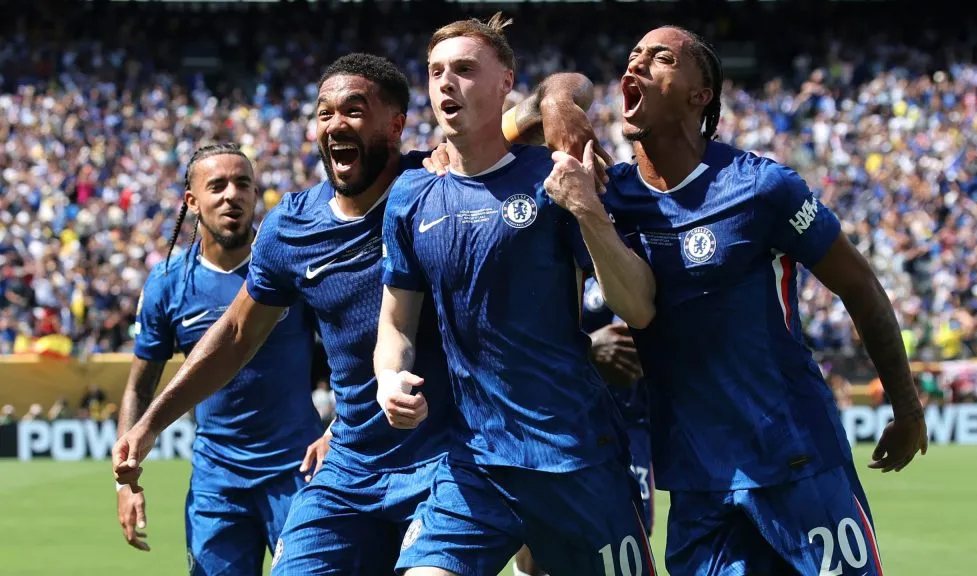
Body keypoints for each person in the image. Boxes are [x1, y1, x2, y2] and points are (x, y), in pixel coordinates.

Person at [113, 53, 597, 576]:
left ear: (395, 125)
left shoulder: (437, 181)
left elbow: (541, 99)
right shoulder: (291, 227)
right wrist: (149, 425)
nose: (335, 124)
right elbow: (233, 334)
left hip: (451, 458)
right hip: (352, 466)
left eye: (353, 110)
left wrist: (556, 99)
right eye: (324, 113)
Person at [546, 25, 929, 576]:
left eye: (660, 59)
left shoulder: (761, 188)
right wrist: (560, 100)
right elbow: (553, 94)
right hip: (698, 480)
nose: (636, 67)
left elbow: (860, 286)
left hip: (794, 457)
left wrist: (907, 407)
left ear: (701, 94)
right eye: (631, 58)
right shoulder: (611, 196)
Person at [375, 14, 657, 576]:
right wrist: (389, 377)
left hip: (575, 457)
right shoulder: (411, 193)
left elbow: (641, 306)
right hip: (475, 462)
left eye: (463, 70)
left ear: (506, 83)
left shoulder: (550, 177)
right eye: (435, 73)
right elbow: (396, 324)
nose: (446, 84)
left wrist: (587, 210)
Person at [114, 143, 328, 575]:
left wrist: (336, 432)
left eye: (243, 184)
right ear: (192, 201)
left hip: (298, 469)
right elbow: (139, 385)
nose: (232, 194)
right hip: (217, 481)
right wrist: (123, 477)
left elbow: (349, 349)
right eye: (217, 185)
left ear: (255, 194)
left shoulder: (289, 264)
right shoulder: (169, 283)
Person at [514, 277, 654, 576]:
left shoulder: (637, 241)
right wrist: (588, 349)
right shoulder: (542, 246)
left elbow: (631, 340)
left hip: (630, 419)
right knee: (537, 542)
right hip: (556, 420)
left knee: (627, 539)